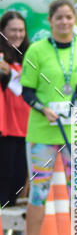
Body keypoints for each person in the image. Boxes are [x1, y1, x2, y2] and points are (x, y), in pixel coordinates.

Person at [11, 0, 77, 235]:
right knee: (38, 192)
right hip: (42, 133)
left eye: (68, 17)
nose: (64, 22)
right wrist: (43, 109)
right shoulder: (37, 50)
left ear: (74, 19)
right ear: (51, 21)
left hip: (76, 135)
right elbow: (27, 91)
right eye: (59, 18)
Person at [0, 10, 30, 207]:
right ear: (2, 31)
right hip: (5, 128)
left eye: (21, 30)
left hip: (27, 128)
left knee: (19, 179)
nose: (18, 34)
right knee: (4, 179)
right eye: (13, 30)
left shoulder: (30, 56)